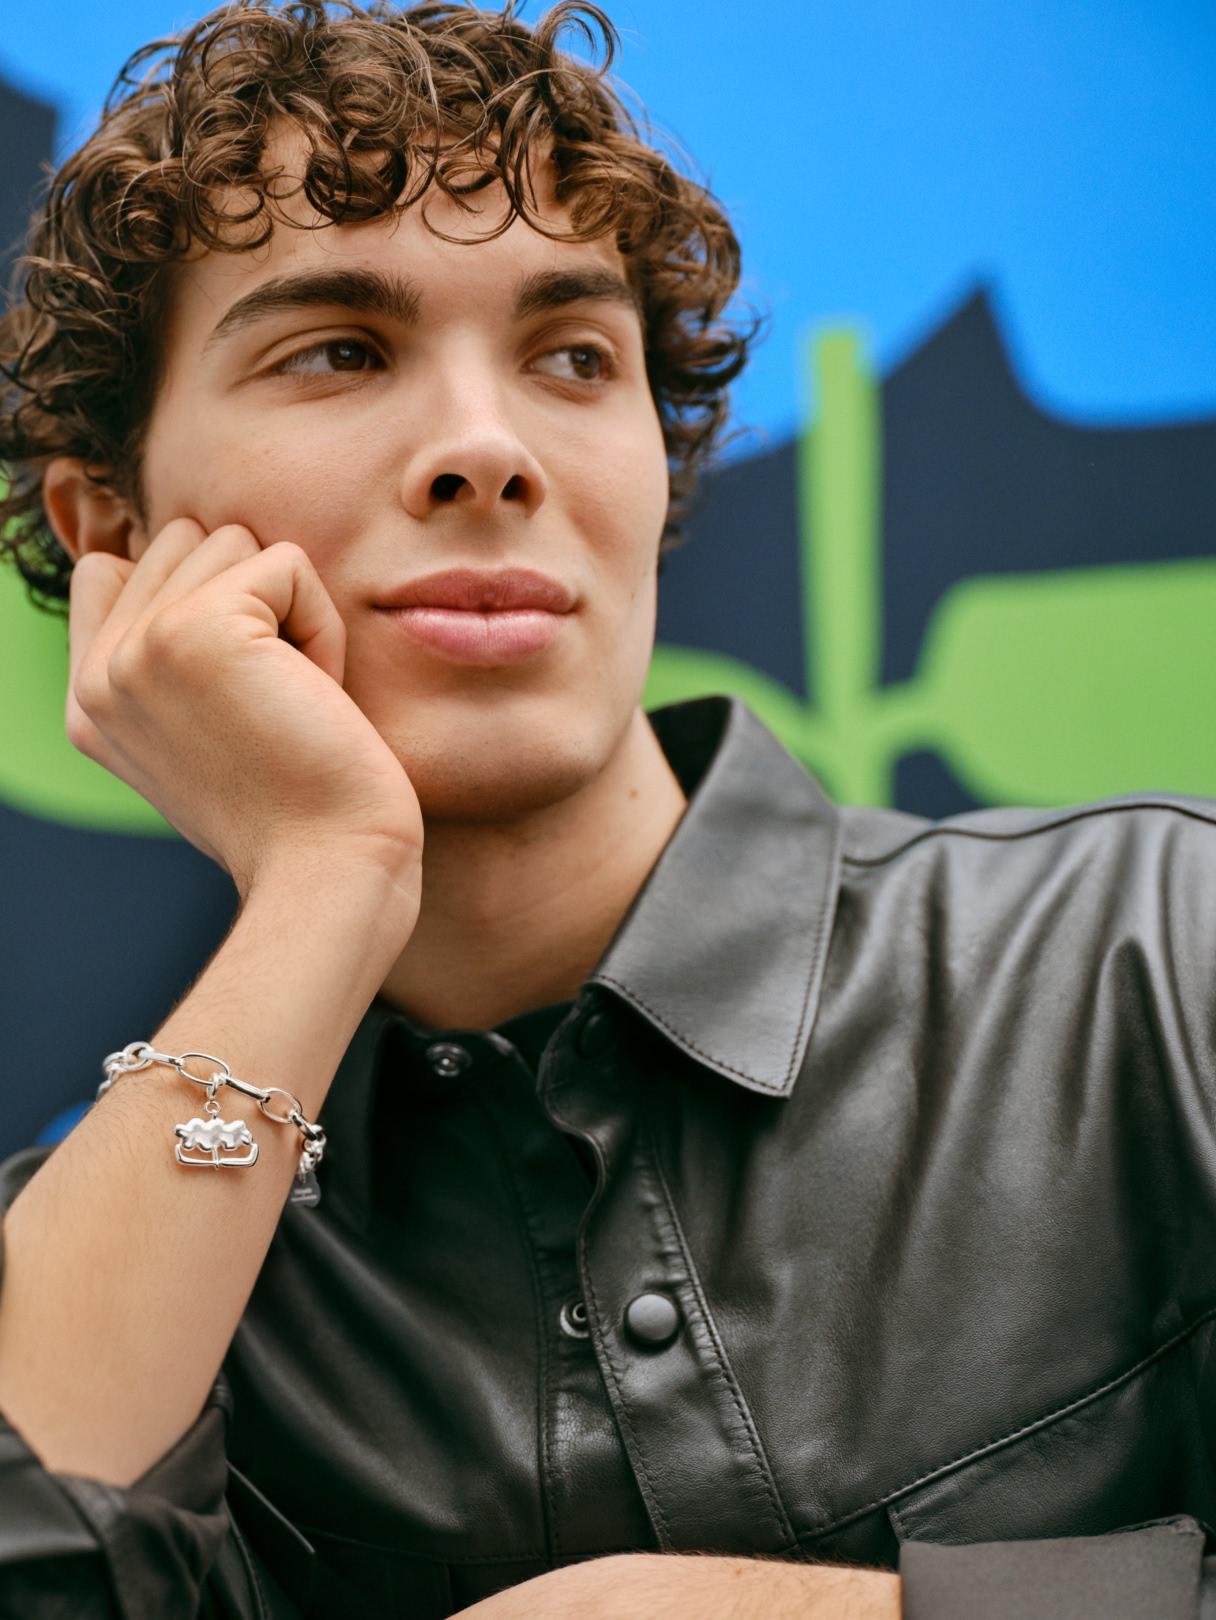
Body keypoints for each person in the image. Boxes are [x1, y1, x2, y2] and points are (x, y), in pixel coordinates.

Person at [0, 2, 1213, 1616]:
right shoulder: (129, 1259)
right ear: (114, 533)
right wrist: (325, 877)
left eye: (573, 355)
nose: (487, 449)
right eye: (341, 349)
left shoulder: (1159, 953)